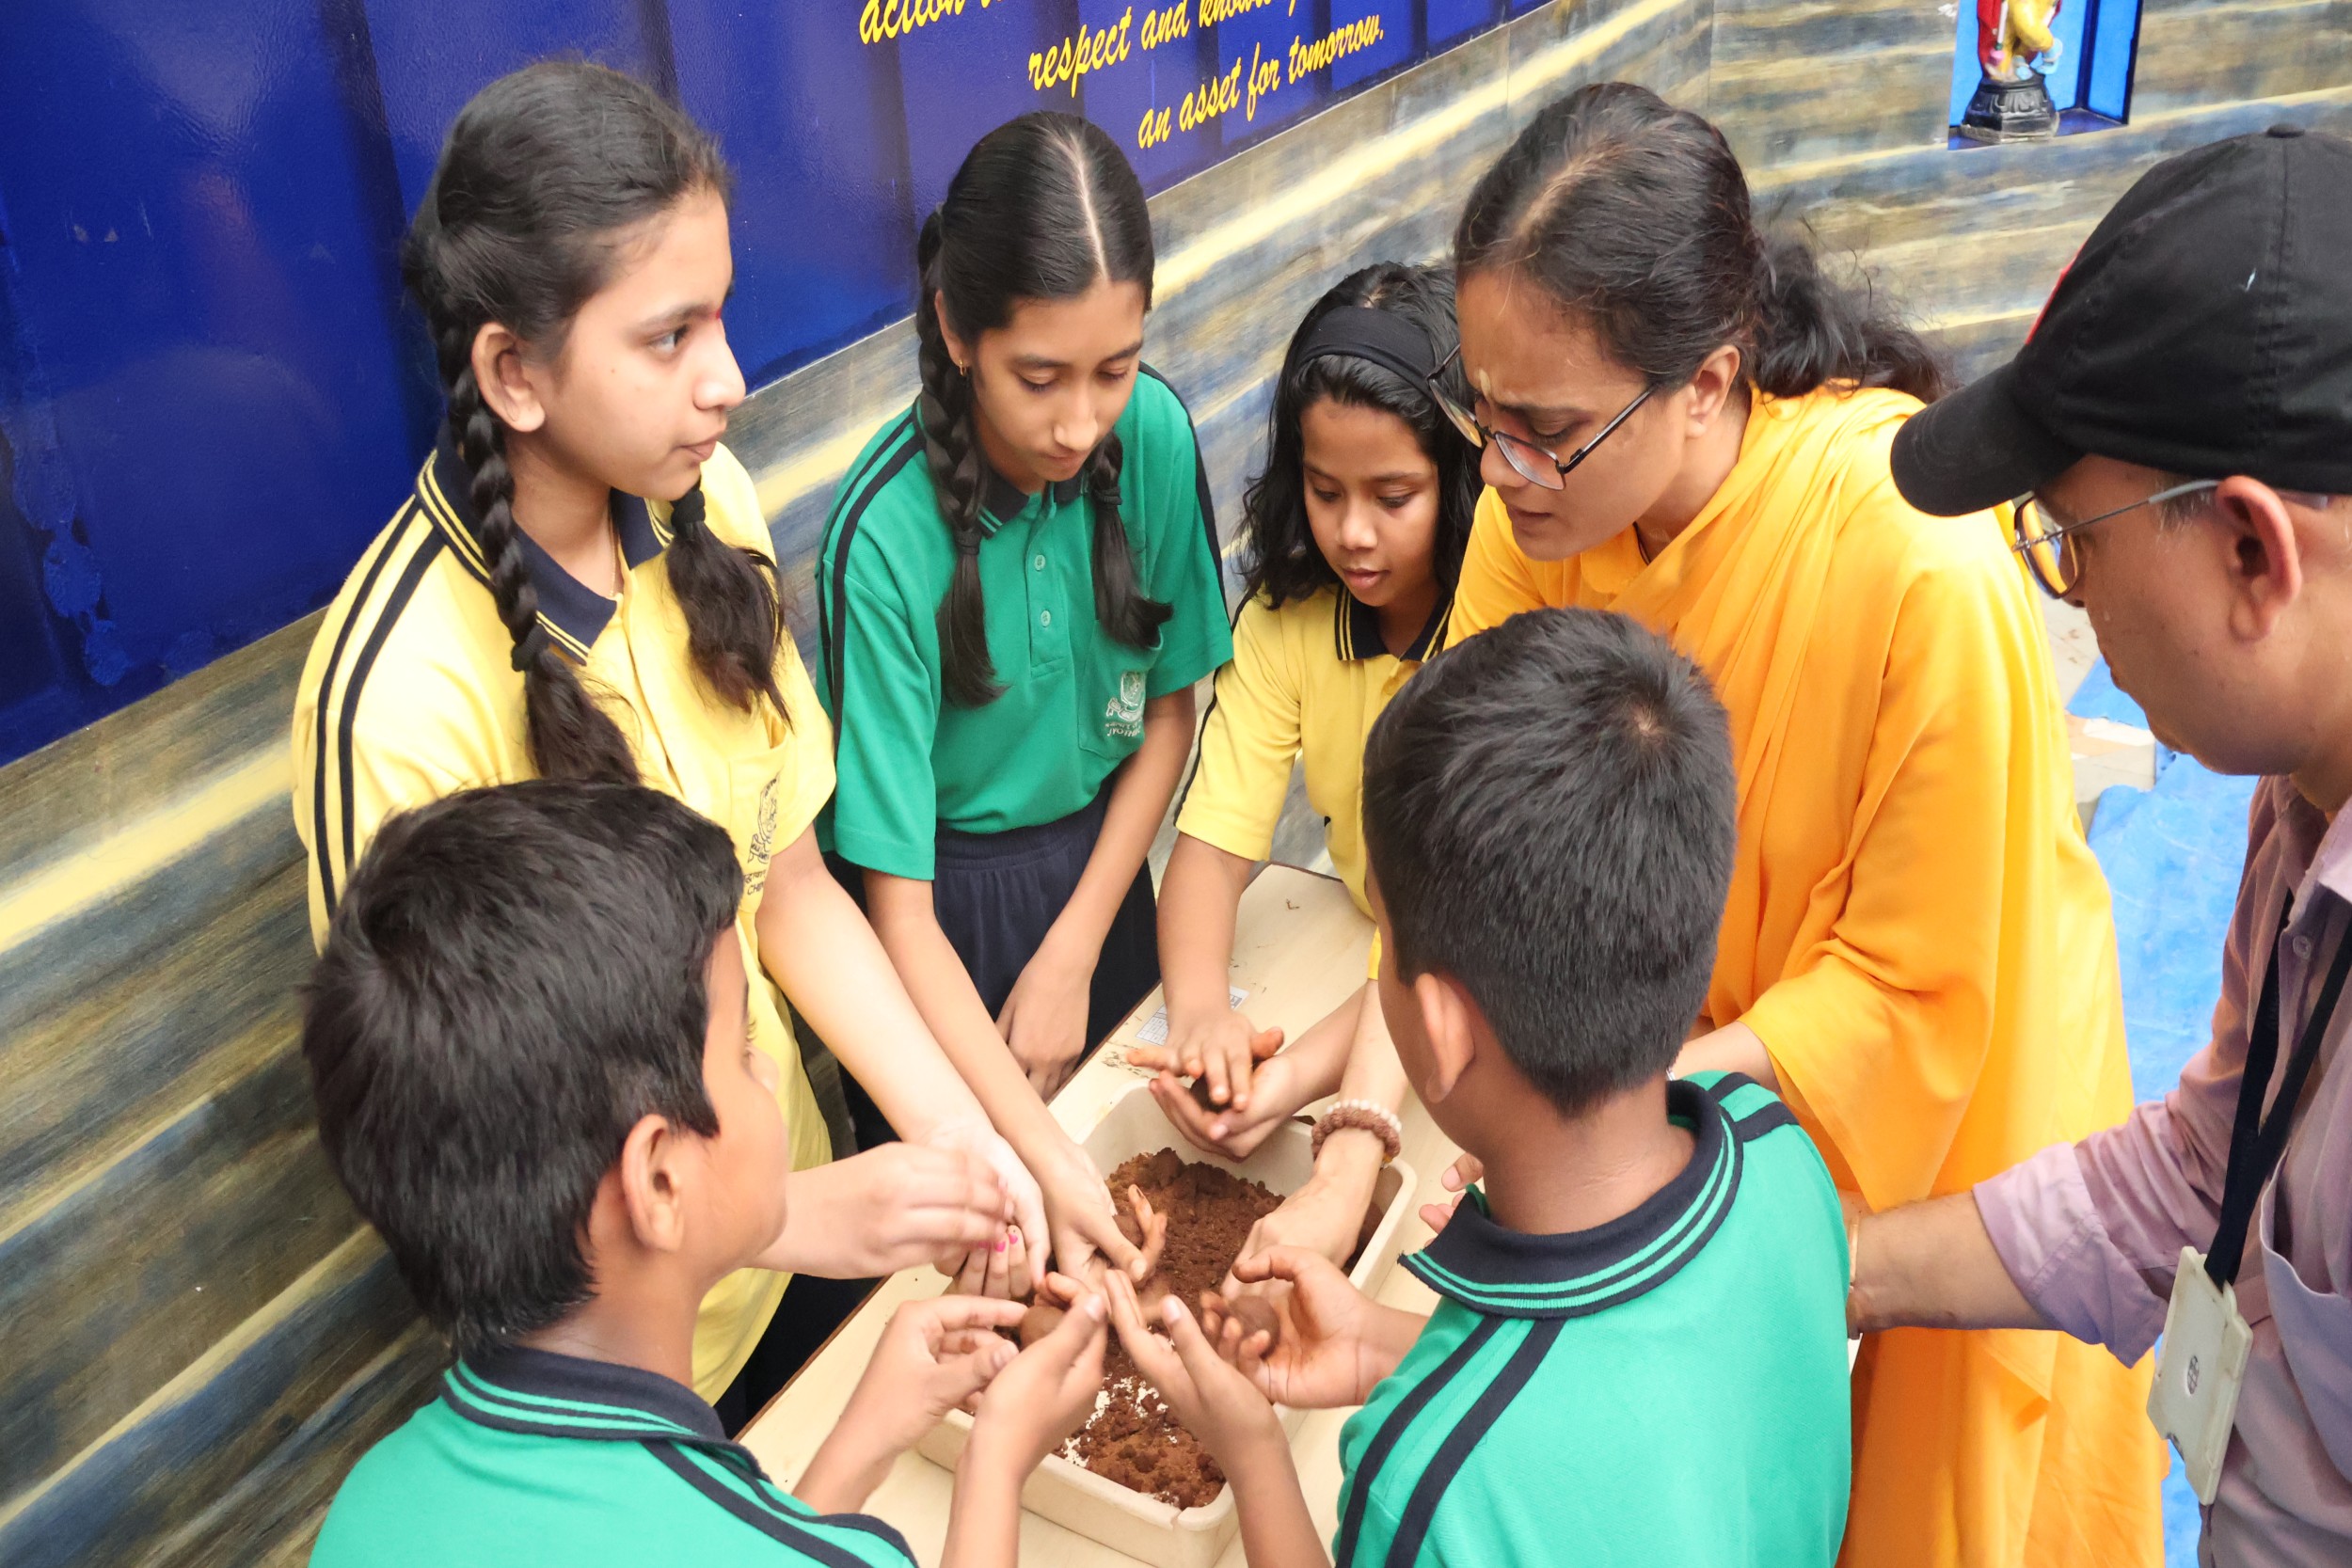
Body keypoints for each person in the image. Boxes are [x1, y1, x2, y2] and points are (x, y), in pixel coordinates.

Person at [1430, 81, 2160, 1563]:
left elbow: (1909, 993)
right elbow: (1466, 829)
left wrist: (1593, 1114)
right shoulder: (1538, 520)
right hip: (1665, 1094)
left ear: (1709, 378)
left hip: (1952, 1130)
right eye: (1480, 414)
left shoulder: (1916, 565)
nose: (1499, 471)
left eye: (1545, 429)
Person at [290, 61, 1027, 1426]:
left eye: (722, 316)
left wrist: (958, 1138)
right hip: (627, 1368)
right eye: (669, 336)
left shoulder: (707, 502)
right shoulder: (395, 701)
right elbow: (483, 1168)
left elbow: (788, 885)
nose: (728, 381)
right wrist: (795, 1217)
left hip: (801, 1223)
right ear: (512, 371)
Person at [1854, 125, 2352, 1566]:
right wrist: (1843, 1269)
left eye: (2074, 542)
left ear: (2252, 550)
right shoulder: (2298, 791)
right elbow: (2206, 1168)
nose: (2071, 602)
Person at [1105, 607, 1851, 1566]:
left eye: (1385, 947)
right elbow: (1639, 1411)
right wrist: (1383, 1345)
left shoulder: (1430, 1480)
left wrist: (1252, 1452)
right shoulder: (1777, 1149)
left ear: (1442, 1030)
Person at [300, 782, 1110, 1568]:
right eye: (745, 1049)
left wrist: (862, 1437)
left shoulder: (368, 1504)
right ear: (659, 1183)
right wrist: (996, 1459)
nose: (771, 1070)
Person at [816, 113, 1232, 1279]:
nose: (1079, 422)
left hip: (1101, 875)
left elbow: (1168, 714)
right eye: (1038, 377)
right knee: (989, 1259)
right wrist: (1027, 1139)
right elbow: (893, 904)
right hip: (936, 933)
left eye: (1115, 368)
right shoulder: (880, 536)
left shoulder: (1152, 436)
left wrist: (1074, 950)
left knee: (1140, 1214)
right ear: (956, 328)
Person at [1138, 262, 1479, 1278]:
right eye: (1325, 492)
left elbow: (1444, 937)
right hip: (1380, 962)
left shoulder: (1499, 615)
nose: (1352, 532)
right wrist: (1203, 1015)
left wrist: (1287, 1082)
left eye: (1393, 496)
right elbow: (1211, 846)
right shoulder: (1287, 620)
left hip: (1477, 980)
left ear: (1462, 479)